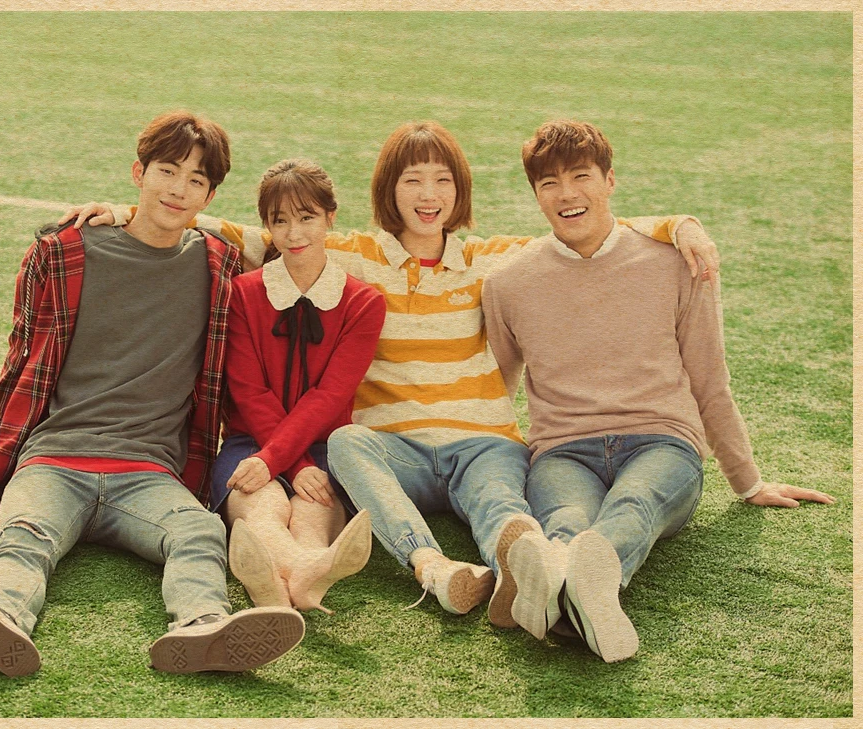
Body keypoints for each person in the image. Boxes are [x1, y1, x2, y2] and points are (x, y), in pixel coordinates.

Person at [62, 120, 720, 625]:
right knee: (349, 444)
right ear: (389, 190)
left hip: (479, 439)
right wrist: (130, 212)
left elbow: (582, 227)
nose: (428, 196)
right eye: (412, 181)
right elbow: (254, 233)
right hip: (393, 444)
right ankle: (430, 566)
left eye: (441, 181)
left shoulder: (492, 258)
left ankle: (521, 576)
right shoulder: (349, 252)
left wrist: (676, 224)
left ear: (459, 190)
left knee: (501, 502)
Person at [0, 110, 305, 677]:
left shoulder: (218, 263)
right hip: (54, 460)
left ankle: (202, 629)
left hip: (149, 472)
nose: (178, 189)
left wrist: (138, 213)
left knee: (200, 531)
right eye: (166, 171)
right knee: (25, 536)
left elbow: (298, 240)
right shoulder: (65, 253)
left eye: (195, 180)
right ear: (138, 173)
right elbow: (20, 361)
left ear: (210, 196)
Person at [481, 119, 835, 663]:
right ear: (536, 194)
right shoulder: (508, 282)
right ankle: (580, 601)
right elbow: (497, 390)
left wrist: (748, 481)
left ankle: (561, 591)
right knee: (568, 520)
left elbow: (709, 378)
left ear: (609, 180)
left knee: (636, 501)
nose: (567, 194)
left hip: (662, 443)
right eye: (549, 183)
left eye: (581, 176)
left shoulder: (676, 262)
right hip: (562, 450)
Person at [212, 160, 385, 614]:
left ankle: (271, 586)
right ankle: (304, 575)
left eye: (306, 217)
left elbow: (330, 396)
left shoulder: (364, 303)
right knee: (264, 506)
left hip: (326, 446)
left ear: (330, 217)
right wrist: (282, 462)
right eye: (280, 221)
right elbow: (249, 392)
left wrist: (294, 461)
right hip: (251, 441)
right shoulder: (242, 294)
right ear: (267, 226)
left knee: (311, 513)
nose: (293, 234)